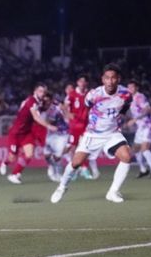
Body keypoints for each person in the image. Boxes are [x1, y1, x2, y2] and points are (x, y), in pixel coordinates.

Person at [51, 64, 134, 204]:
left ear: (118, 79)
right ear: (103, 79)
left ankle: (113, 192)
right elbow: (87, 107)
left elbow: (126, 106)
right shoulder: (94, 95)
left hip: (112, 133)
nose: (110, 81)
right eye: (107, 78)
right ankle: (62, 187)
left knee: (126, 156)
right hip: (94, 134)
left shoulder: (125, 94)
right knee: (76, 162)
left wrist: (120, 118)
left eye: (113, 78)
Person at [0, 84, 54, 184]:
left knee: (29, 154)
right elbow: (36, 117)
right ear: (35, 91)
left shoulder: (39, 102)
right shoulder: (31, 101)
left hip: (26, 133)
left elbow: (44, 108)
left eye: (44, 92)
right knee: (12, 157)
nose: (43, 94)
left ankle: (15, 174)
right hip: (16, 133)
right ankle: (5, 162)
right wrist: (48, 126)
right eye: (41, 91)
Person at [64, 75, 99, 179]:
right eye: (80, 81)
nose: (82, 83)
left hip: (86, 125)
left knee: (86, 146)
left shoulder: (90, 94)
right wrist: (68, 114)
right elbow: (65, 107)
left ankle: (84, 169)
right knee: (73, 148)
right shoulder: (72, 94)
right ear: (77, 82)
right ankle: (74, 169)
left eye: (84, 82)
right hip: (74, 125)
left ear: (86, 83)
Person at [126, 81, 151, 178]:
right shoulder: (130, 99)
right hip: (141, 127)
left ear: (136, 88)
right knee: (136, 150)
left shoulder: (139, 97)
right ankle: (143, 170)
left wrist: (134, 119)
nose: (130, 89)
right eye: (128, 87)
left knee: (144, 149)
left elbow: (147, 109)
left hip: (148, 125)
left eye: (132, 87)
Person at [41, 95, 71, 182]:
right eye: (44, 101)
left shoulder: (56, 108)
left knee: (58, 156)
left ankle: (58, 174)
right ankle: (51, 167)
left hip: (62, 133)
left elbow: (51, 120)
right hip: (51, 134)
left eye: (48, 100)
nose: (46, 102)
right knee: (47, 155)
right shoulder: (43, 109)